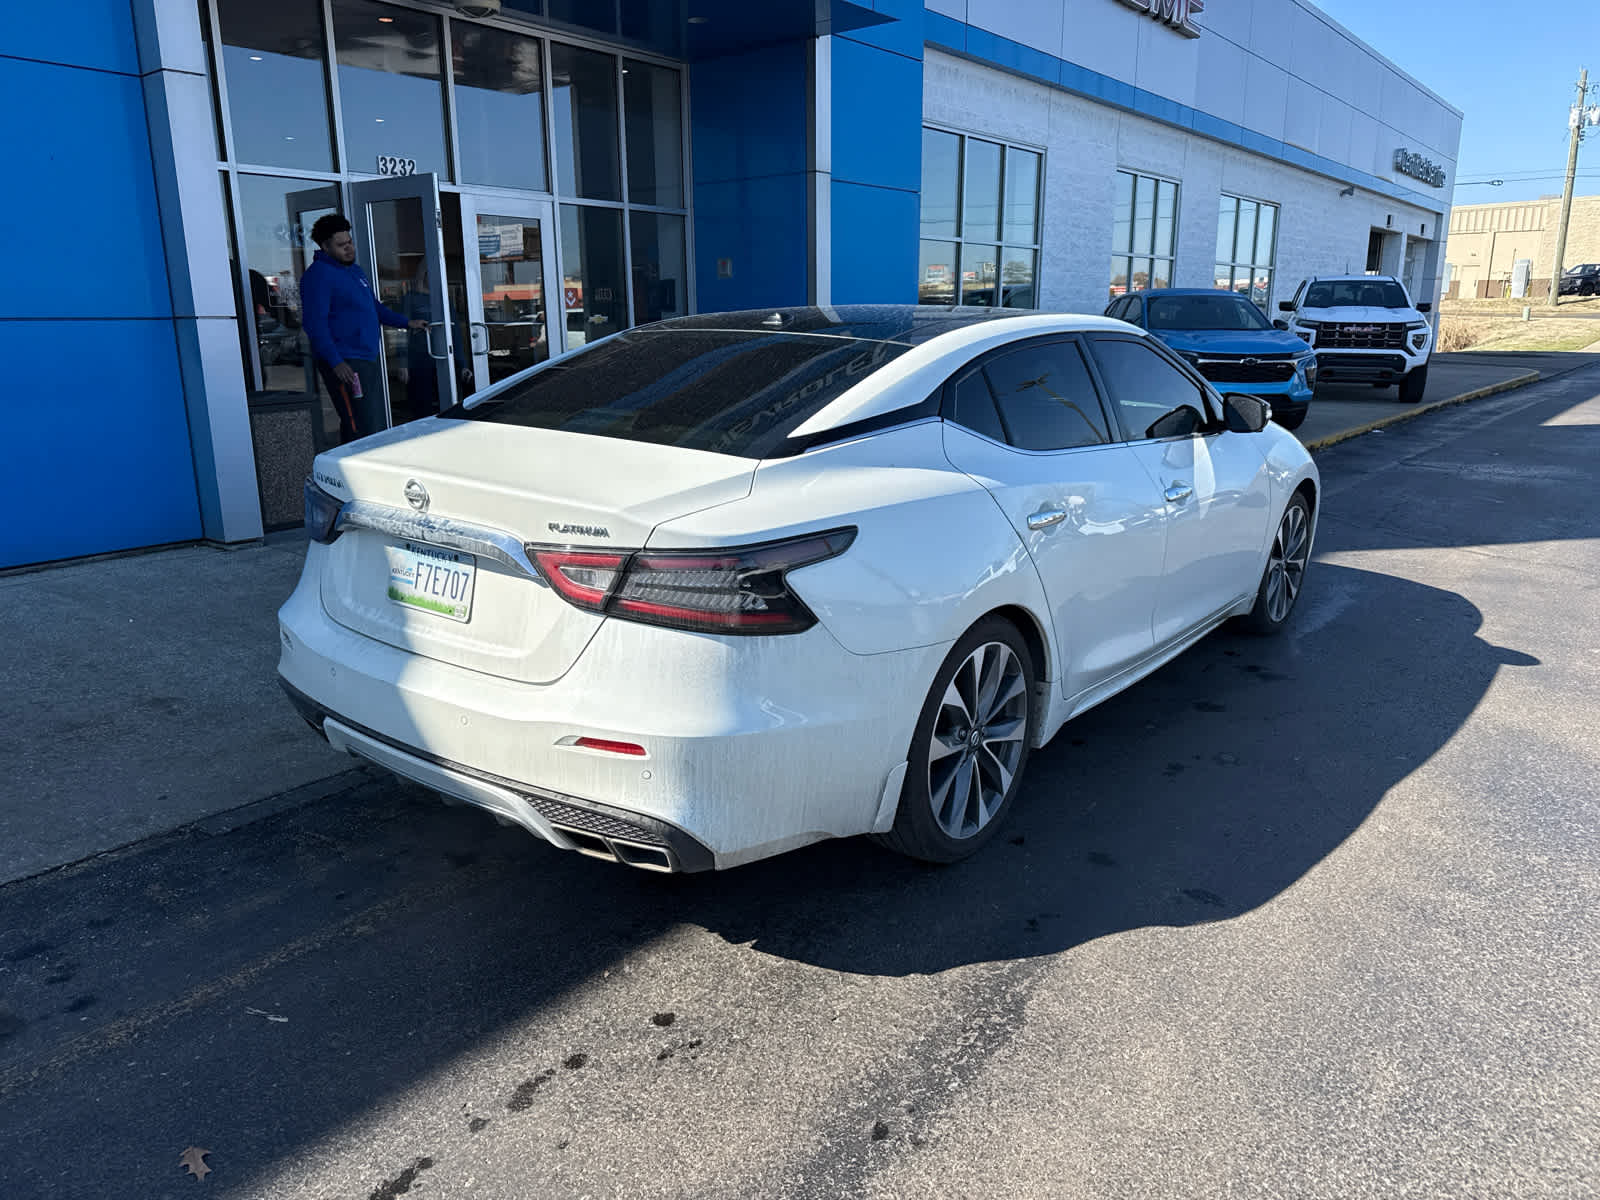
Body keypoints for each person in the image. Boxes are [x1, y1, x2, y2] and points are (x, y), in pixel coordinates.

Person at [300, 213, 425, 444]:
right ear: (325, 247)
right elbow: (314, 323)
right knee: (359, 425)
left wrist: (407, 323)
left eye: (350, 242)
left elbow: (374, 308)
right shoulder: (318, 276)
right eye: (341, 245)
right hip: (346, 362)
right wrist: (336, 362)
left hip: (367, 358)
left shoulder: (355, 272)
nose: (349, 248)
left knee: (373, 422)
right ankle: (350, 466)